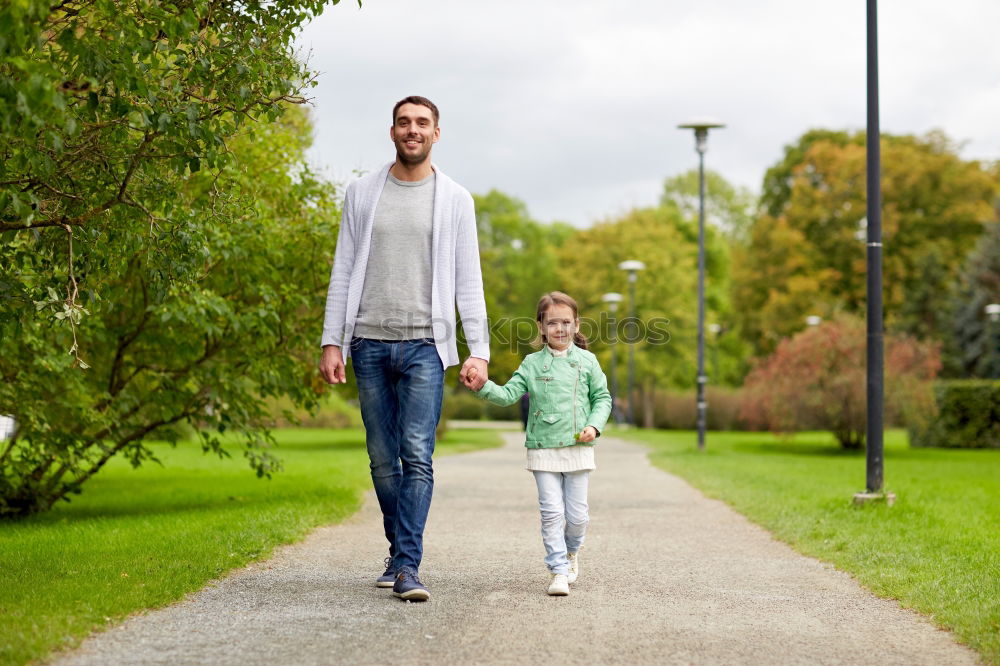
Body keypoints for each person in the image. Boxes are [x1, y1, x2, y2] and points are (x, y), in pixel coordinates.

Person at [319, 96, 490, 602]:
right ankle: (398, 548)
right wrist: (333, 340)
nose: (412, 130)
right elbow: (343, 268)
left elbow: (468, 279)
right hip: (368, 341)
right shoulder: (362, 193)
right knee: (380, 457)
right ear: (392, 131)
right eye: (403, 122)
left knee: (417, 455)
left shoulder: (455, 198)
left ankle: (409, 565)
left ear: (437, 133)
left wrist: (477, 348)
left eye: (422, 123)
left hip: (424, 347)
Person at [466, 291, 611, 596]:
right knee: (551, 512)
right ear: (542, 327)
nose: (561, 328)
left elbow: (602, 398)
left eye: (566, 322)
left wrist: (594, 426)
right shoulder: (532, 364)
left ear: (577, 324)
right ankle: (557, 570)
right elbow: (507, 395)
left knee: (577, 516)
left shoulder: (587, 361)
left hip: (577, 449)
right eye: (553, 323)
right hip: (543, 446)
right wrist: (482, 386)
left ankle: (572, 553)